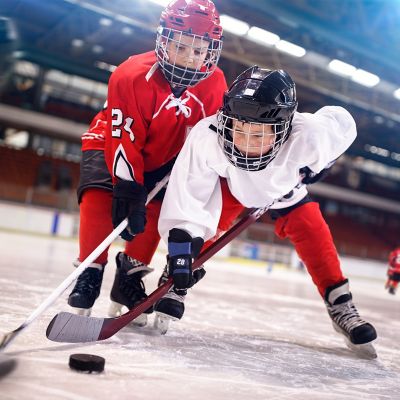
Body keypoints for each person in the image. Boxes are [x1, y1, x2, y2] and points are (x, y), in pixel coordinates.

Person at [157, 66, 378, 355]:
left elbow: (342, 123)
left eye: (259, 135)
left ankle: (340, 304)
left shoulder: (309, 135)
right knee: (206, 224)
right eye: (239, 130)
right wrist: (182, 254)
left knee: (313, 231)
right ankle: (175, 279)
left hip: (284, 191)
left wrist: (320, 163)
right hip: (232, 184)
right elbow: (189, 197)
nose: (246, 145)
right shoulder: (206, 136)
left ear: (284, 129)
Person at [68, 0, 243, 324]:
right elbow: (124, 137)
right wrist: (128, 185)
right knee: (101, 194)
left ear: (211, 50)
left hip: (168, 154)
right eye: (180, 46)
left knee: (157, 207)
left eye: (198, 49)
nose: (190, 57)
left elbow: (207, 139)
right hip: (112, 140)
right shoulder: (130, 75)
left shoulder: (216, 83)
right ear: (164, 41)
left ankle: (128, 278)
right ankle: (89, 271)